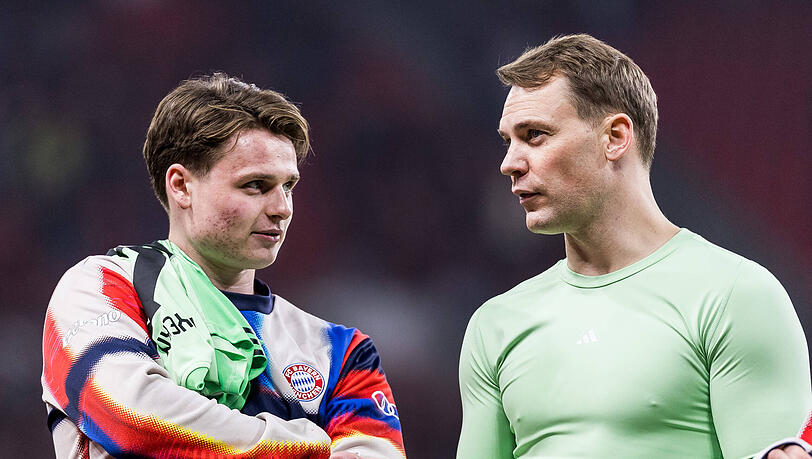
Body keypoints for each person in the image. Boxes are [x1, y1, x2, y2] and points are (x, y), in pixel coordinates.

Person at [457, 34, 812, 459]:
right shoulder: (495, 325)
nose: (509, 162)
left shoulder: (736, 296)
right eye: (508, 140)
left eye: (534, 135)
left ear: (615, 137)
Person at [41, 73, 405, 459]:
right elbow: (131, 417)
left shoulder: (341, 352)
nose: (282, 208)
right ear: (181, 186)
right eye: (255, 185)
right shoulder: (101, 288)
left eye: (288, 186)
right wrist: (309, 445)